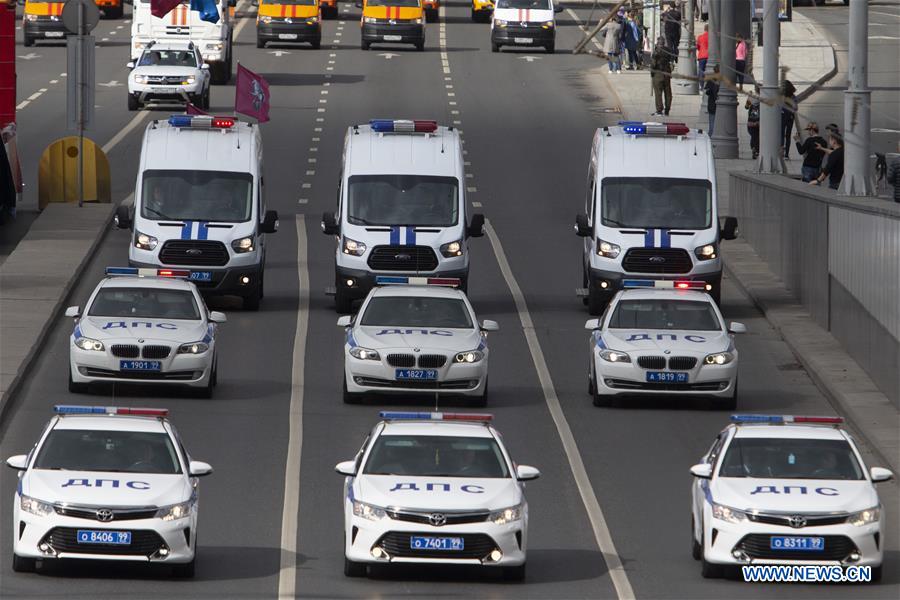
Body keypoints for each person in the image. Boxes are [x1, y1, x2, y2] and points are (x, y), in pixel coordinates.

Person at [650, 37, 673, 116]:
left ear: (658, 43)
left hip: (658, 73)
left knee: (658, 93)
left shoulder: (656, 52)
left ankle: (659, 110)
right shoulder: (668, 51)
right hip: (667, 73)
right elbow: (671, 60)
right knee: (668, 92)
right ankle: (667, 109)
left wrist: (652, 73)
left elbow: (653, 64)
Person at [781, 79, 797, 159]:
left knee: (781, 134)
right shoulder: (793, 96)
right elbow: (795, 108)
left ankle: (781, 151)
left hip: (782, 116)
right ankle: (786, 154)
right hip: (790, 117)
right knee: (788, 135)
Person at [745, 89, 760, 159]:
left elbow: (746, 107)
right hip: (758, 122)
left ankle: (753, 148)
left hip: (750, 122)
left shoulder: (751, 98)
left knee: (753, 136)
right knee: (757, 137)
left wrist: (749, 97)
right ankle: (756, 150)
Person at [705, 65, 719, 135]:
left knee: (712, 124)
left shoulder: (712, 79)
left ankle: (711, 136)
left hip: (712, 105)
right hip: (719, 106)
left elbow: (707, 91)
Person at [696, 24, 709, 91]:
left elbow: (698, 47)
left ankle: (702, 86)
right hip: (710, 56)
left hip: (702, 56)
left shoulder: (700, 37)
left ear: (704, 29)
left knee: (701, 71)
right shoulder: (712, 37)